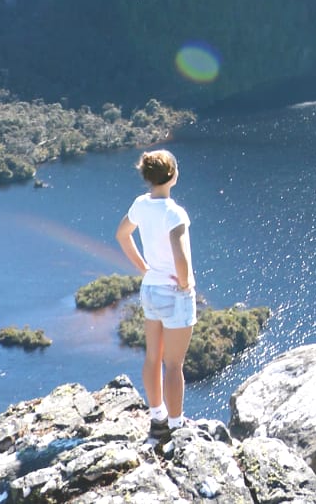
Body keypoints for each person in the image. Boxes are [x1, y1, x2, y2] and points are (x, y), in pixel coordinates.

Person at [115, 149, 196, 431]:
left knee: (152, 357)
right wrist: (185, 284)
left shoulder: (141, 204)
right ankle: (176, 425)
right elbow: (181, 257)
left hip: (150, 289)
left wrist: (144, 268)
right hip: (175, 294)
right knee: (174, 364)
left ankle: (157, 416)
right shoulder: (174, 213)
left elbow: (122, 235)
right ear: (172, 175)